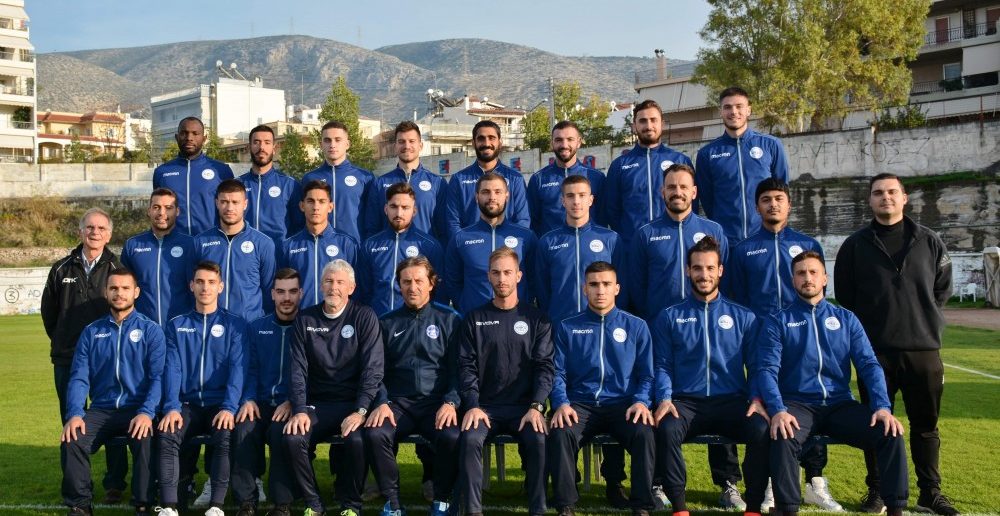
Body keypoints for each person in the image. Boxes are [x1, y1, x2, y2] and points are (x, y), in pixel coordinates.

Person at [834, 173, 958, 515]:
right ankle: (877, 491)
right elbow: (846, 295)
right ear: (870, 201)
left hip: (923, 352)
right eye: (878, 193)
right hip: (874, 355)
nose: (885, 197)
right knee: (877, 423)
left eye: (892, 191)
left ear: (904, 198)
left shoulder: (929, 241)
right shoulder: (855, 245)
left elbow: (942, 289)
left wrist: (919, 318)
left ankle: (930, 492)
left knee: (925, 426)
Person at [757, 251, 909, 516]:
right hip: (798, 405)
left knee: (890, 432)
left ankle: (895, 508)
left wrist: (882, 407)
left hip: (840, 404)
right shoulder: (778, 321)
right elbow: (766, 369)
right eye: (801, 273)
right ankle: (786, 509)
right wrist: (778, 409)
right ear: (793, 281)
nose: (808, 278)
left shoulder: (846, 318)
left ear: (825, 278)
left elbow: (869, 364)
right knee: (783, 434)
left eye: (813, 272)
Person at [724, 178, 835, 512]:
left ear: (789, 204)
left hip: (802, 338)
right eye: (766, 199)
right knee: (768, 407)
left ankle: (815, 480)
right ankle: (772, 482)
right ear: (757, 206)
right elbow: (737, 299)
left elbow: (819, 292)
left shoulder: (806, 243)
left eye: (779, 198)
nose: (773, 204)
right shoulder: (744, 249)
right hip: (761, 341)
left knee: (811, 401)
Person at [651, 237, 770, 516]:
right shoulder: (669, 316)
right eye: (697, 268)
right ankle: (679, 506)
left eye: (709, 268)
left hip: (731, 401)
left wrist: (756, 398)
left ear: (720, 271)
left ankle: (753, 506)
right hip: (686, 403)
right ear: (688, 271)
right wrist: (665, 398)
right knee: (666, 428)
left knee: (761, 429)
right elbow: (663, 365)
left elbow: (756, 366)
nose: (703, 275)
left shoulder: (744, 317)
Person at [270, 260, 383, 516]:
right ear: (321, 286)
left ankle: (351, 505)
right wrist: (299, 409)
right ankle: (314, 503)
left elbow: (373, 369)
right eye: (329, 281)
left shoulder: (364, 316)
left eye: (340, 282)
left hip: (352, 404)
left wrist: (361, 411)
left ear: (351, 288)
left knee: (357, 439)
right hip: (317, 404)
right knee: (293, 437)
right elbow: (297, 370)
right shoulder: (305, 319)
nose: (334, 287)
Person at [548, 261, 656, 516]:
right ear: (584, 289)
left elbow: (647, 375)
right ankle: (565, 504)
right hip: (581, 405)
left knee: (644, 433)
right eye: (594, 284)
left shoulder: (636, 326)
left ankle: (641, 505)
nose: (600, 290)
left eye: (606, 284)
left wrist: (641, 401)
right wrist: (561, 403)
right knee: (561, 431)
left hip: (623, 405)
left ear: (617, 288)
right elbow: (557, 372)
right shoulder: (567, 326)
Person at [456, 248, 553, 516]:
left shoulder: (537, 319)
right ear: (488, 276)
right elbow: (466, 367)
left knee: (538, 439)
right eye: (496, 273)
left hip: (524, 408)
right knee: (470, 439)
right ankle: (473, 510)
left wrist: (537, 406)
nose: (502, 279)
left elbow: (545, 368)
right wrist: (472, 405)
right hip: (484, 408)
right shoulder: (474, 319)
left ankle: (538, 509)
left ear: (518, 276)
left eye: (508, 272)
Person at [61, 268, 165, 516]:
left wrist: (147, 412)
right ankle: (80, 505)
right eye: (114, 288)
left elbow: (158, 378)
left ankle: (143, 503)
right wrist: (75, 413)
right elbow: (79, 377)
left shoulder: (151, 330)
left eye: (125, 288)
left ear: (136, 292)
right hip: (101, 409)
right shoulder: (91, 332)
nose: (119, 293)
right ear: (106, 292)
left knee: (145, 439)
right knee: (72, 439)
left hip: (136, 408)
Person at [41, 207, 128, 504]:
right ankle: (76, 483)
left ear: (109, 234)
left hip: (108, 359)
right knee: (71, 419)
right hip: (67, 358)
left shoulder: (117, 268)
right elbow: (49, 313)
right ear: (80, 231)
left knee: (111, 416)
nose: (95, 232)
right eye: (90, 227)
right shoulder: (61, 269)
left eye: (101, 228)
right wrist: (64, 340)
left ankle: (114, 483)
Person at [364, 256, 462, 516]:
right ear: (399, 285)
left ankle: (442, 499)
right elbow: (375, 371)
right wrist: (381, 402)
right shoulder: (386, 322)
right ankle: (393, 503)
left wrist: (451, 402)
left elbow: (459, 370)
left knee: (451, 436)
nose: (412, 287)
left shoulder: (450, 319)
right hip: (398, 404)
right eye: (406, 282)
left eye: (419, 281)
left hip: (436, 403)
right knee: (375, 433)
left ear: (431, 283)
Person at [157, 260, 247, 516]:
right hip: (187, 405)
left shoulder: (235, 325)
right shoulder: (176, 325)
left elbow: (238, 369)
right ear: (191, 286)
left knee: (225, 434)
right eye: (200, 282)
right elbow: (172, 369)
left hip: (220, 404)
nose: (205, 288)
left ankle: (216, 506)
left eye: (211, 282)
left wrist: (229, 407)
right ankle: (169, 506)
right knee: (167, 433)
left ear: (220, 287)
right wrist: (171, 407)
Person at [231, 268, 303, 516]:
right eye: (281, 292)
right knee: (243, 428)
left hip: (290, 404)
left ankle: (281, 504)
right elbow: (249, 368)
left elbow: (312, 372)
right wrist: (248, 398)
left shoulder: (308, 326)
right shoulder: (256, 327)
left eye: (292, 292)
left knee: (280, 432)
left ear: (301, 293)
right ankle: (246, 502)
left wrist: (293, 401)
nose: (286, 298)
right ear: (272, 294)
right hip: (260, 402)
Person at [629, 163, 728, 321]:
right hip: (660, 324)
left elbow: (725, 279)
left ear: (694, 192)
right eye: (671, 187)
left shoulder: (714, 231)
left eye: (683, 187)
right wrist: (653, 317)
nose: (678, 192)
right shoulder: (645, 234)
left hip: (705, 322)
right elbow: (637, 286)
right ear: (663, 192)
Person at [695, 87, 789, 243]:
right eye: (727, 107)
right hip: (726, 241)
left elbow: (782, 190)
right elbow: (707, 199)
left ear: (748, 110)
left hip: (764, 238)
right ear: (721, 112)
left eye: (739, 106)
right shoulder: (707, 153)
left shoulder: (771, 145)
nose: (734, 111)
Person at [445, 172, 537, 314]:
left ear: (507, 196)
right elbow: (452, 282)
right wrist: (465, 307)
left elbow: (535, 279)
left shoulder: (526, 237)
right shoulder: (460, 238)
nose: (492, 197)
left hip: (516, 318)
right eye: (485, 192)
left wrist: (524, 304)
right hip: (475, 320)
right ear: (476, 197)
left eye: (498, 192)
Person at [605, 100, 693, 248]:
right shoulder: (619, 165)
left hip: (672, 243)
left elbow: (691, 203)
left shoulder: (680, 160)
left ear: (662, 124)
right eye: (643, 121)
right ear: (634, 126)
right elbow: (612, 210)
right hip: (633, 245)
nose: (648, 126)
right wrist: (628, 236)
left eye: (653, 120)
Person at [535, 174, 622, 322]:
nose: (576, 201)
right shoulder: (547, 242)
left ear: (591, 200)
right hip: (561, 324)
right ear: (563, 201)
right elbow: (542, 290)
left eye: (582, 195)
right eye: (570, 196)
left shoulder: (611, 239)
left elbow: (621, 285)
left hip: (600, 324)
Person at [358, 182, 445, 316]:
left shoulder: (430, 246)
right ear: (386, 209)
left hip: (416, 323)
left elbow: (440, 292)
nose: (399, 213)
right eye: (394, 206)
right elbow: (364, 291)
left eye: (405, 207)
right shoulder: (370, 246)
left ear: (414, 211)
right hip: (378, 321)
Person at [195, 179, 276, 322]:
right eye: (224, 202)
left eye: (235, 202)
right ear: (217, 203)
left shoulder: (263, 243)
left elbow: (269, 290)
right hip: (211, 324)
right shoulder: (200, 242)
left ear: (245, 204)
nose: (229, 208)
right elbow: (193, 286)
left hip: (249, 325)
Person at [121, 188, 197, 326]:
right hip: (143, 327)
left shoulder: (191, 244)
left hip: (182, 327)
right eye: (156, 207)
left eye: (168, 208)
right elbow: (124, 287)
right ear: (149, 211)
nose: (162, 213)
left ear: (177, 211)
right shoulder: (132, 245)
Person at [280, 180, 360, 308]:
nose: (316, 207)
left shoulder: (347, 244)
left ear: (330, 207)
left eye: (322, 201)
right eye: (310, 201)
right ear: (302, 206)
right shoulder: (288, 246)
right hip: (301, 317)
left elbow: (357, 289)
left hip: (337, 317)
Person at [444, 120, 530, 239]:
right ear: (473, 143)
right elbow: (452, 222)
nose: (486, 143)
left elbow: (523, 220)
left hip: (506, 247)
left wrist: (509, 245)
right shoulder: (458, 179)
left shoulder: (515, 179)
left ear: (500, 142)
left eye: (491, 138)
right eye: (481, 138)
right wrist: (467, 246)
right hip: (471, 247)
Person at [364, 121, 447, 241]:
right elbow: (372, 228)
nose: (407, 146)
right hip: (390, 251)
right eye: (401, 142)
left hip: (424, 251)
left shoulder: (437, 183)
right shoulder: (380, 183)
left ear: (421, 145)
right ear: (395, 146)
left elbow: (444, 228)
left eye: (412, 141)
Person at [153, 117, 235, 236]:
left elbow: (231, 209)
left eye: (195, 133)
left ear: (204, 138)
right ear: (177, 137)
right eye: (184, 133)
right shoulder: (162, 172)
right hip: (173, 242)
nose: (189, 138)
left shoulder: (222, 170)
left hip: (211, 241)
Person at [527, 120, 606, 236]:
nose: (564, 145)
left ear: (578, 142)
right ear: (552, 143)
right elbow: (532, 221)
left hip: (588, 243)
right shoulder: (538, 179)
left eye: (570, 139)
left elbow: (604, 217)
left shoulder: (596, 177)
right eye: (559, 140)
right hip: (552, 245)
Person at [300, 120, 375, 242]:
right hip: (319, 245)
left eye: (338, 140)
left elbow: (373, 218)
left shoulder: (365, 177)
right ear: (321, 145)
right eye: (327, 140)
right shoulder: (309, 178)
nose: (332, 145)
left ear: (347, 144)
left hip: (354, 245)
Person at [238, 124, 304, 249]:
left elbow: (300, 227)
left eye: (267, 142)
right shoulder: (237, 184)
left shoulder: (290, 185)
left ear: (274, 148)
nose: (261, 147)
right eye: (256, 142)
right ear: (248, 147)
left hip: (279, 255)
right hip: (244, 254)